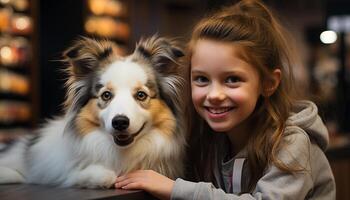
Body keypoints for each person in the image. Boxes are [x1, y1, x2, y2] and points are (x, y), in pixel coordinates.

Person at [115, 0, 336, 199]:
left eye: (232, 79)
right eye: (201, 79)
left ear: (268, 83)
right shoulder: (208, 139)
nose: (214, 95)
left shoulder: (293, 142)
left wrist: (175, 190)